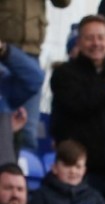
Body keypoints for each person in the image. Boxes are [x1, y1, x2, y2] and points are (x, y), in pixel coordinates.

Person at [49, 14, 105, 185]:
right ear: (79, 42)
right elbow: (80, 105)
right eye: (89, 38)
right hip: (78, 170)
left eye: (101, 38)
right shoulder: (64, 74)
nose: (96, 43)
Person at [0, 0, 71, 150]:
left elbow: (63, 3)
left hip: (32, 53)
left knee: (28, 132)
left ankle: (21, 164)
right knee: (4, 122)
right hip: (3, 51)